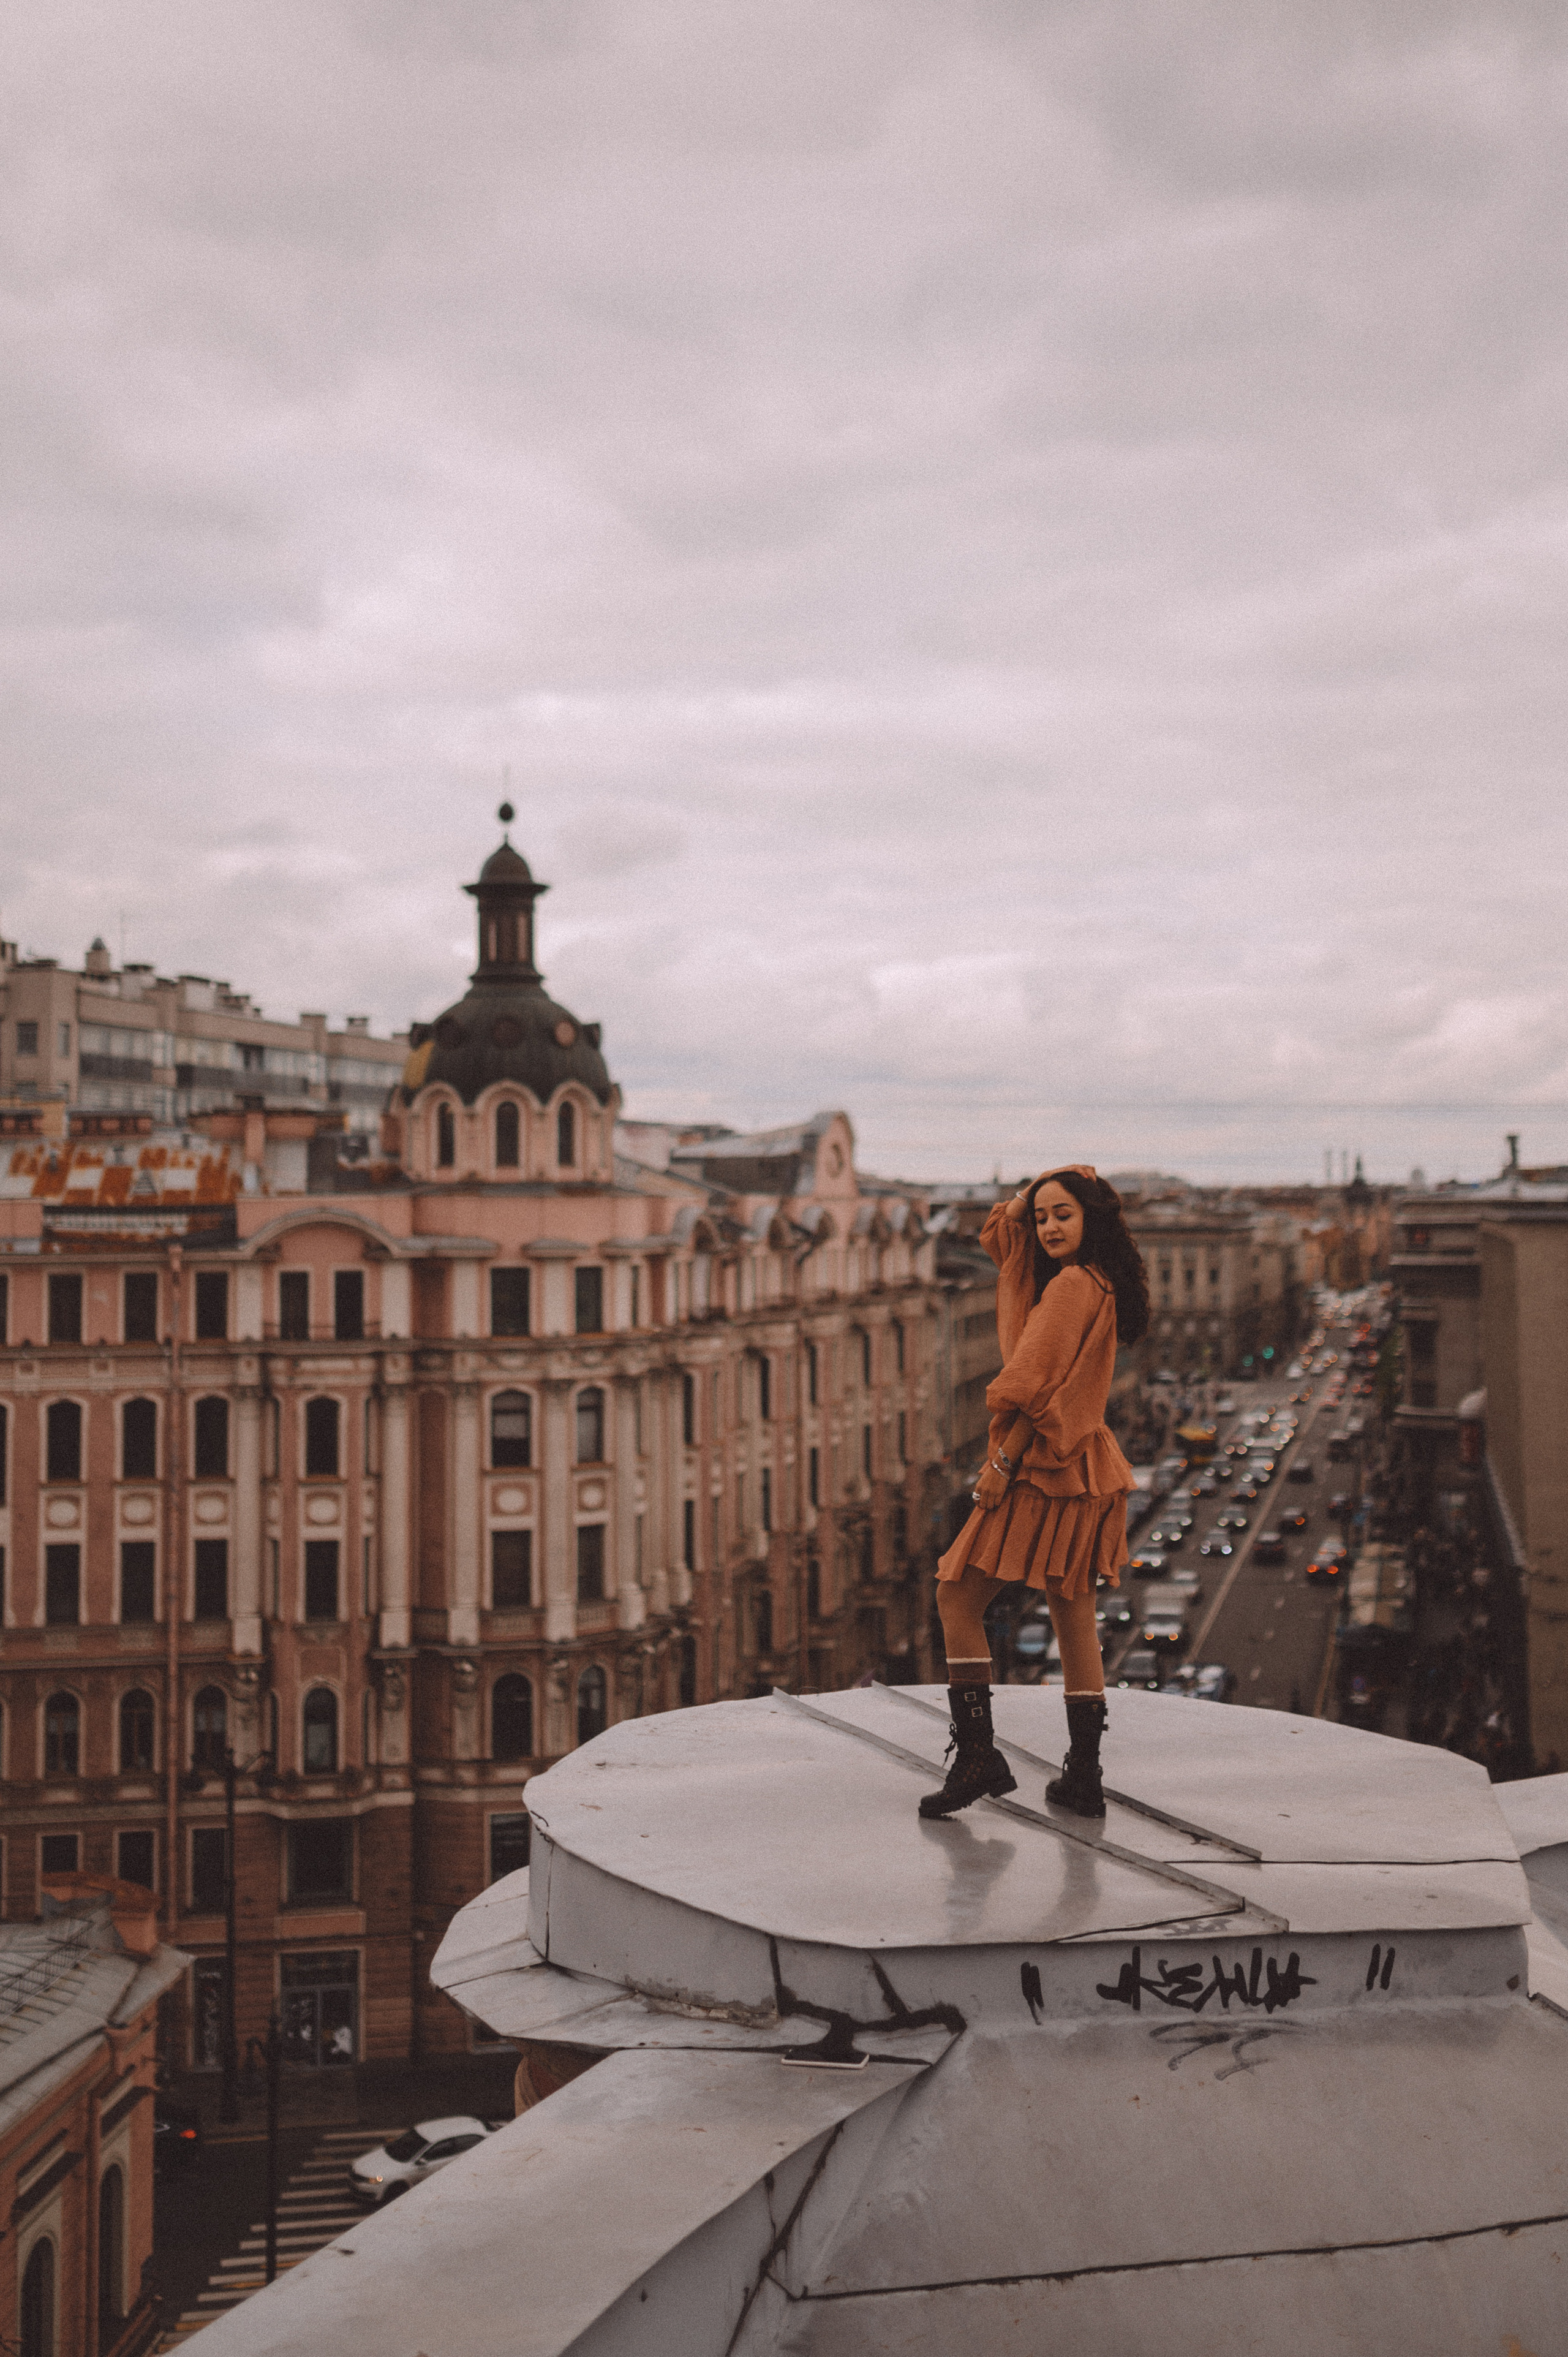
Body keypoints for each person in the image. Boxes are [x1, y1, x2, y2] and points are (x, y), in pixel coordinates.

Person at [921, 1165, 1149, 1822]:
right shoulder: (1100, 1281)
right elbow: (1002, 1233)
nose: (1045, 1225)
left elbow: (1035, 1389)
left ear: (1092, 1220)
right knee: (1072, 1615)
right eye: (1042, 1214)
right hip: (1088, 1465)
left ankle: (977, 1757)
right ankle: (1084, 1775)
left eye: (1063, 1214)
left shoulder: (1072, 1287)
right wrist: (1048, 1184)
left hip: (1044, 1465)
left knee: (955, 1594)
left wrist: (1000, 1460)